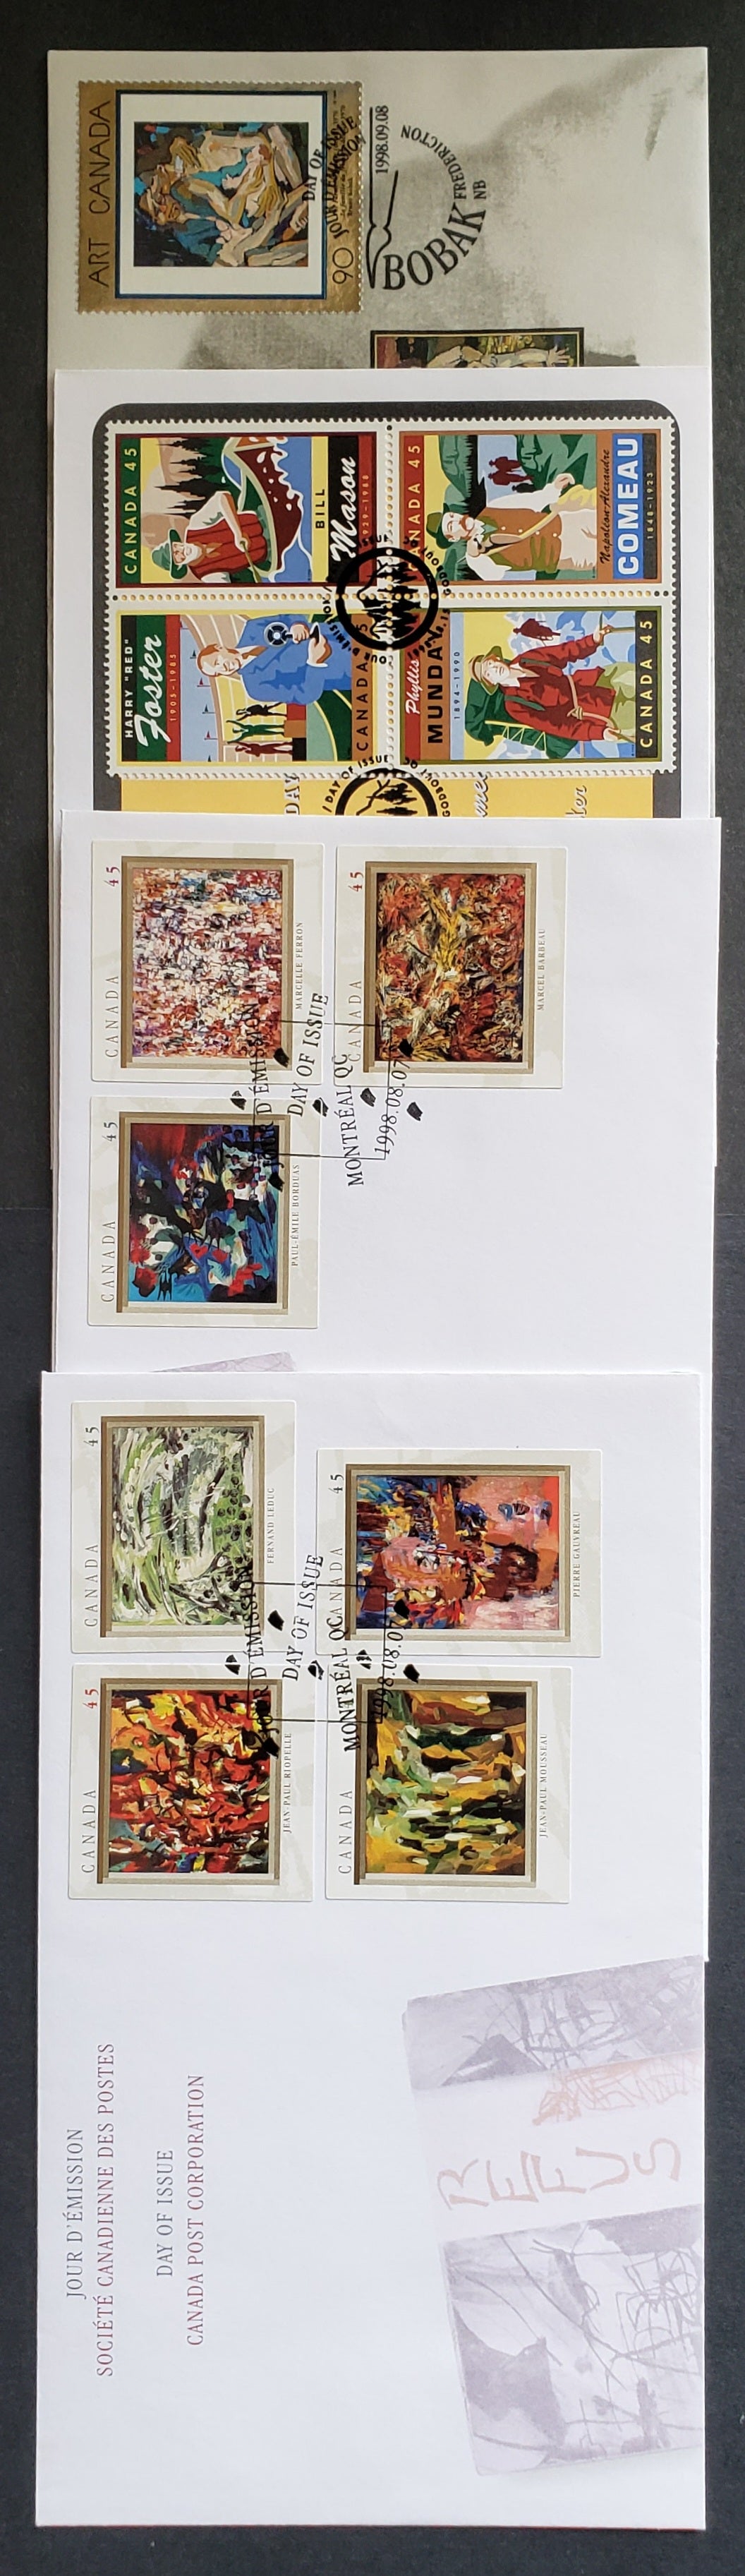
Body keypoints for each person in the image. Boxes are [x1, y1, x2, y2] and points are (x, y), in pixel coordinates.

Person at [464, 620, 631, 757]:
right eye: (488, 673)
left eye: (491, 663)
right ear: (491, 682)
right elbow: (560, 726)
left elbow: (564, 652)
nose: (494, 669)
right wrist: (600, 733)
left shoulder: (525, 659)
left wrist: (593, 639)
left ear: (497, 659)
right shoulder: (514, 705)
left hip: (598, 681)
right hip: (596, 712)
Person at [197, 617, 351, 708]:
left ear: (220, 648)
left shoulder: (252, 628)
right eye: (218, 672)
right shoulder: (255, 688)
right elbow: (304, 696)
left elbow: (288, 614)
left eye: (217, 662)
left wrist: (297, 624)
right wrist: (315, 663)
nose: (223, 668)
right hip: (347, 669)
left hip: (344, 633)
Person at [151, 488, 270, 583]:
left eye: (176, 547)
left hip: (265, 516)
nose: (182, 551)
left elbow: (222, 497)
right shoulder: (206, 575)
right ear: (179, 566)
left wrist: (237, 533)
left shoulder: (196, 525)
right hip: (272, 552)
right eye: (177, 556)